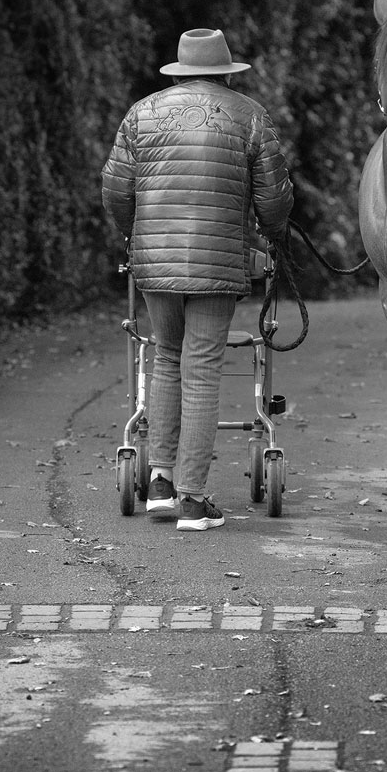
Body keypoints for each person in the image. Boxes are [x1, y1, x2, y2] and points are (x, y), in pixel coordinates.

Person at [101, 28, 294, 531]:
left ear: (181, 70)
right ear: (226, 72)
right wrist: (272, 236)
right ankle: (194, 497)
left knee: (166, 356)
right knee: (203, 365)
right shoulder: (249, 116)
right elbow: (273, 199)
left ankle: (160, 484)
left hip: (155, 261)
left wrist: (134, 236)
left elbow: (117, 189)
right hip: (219, 257)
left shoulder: (141, 114)